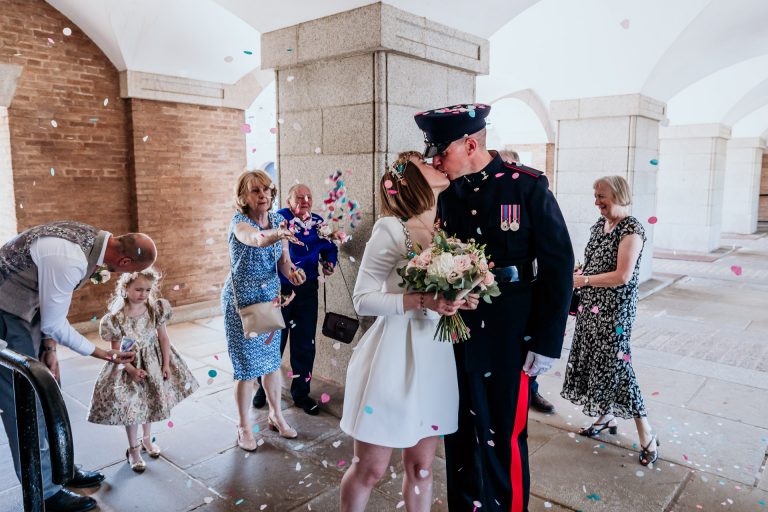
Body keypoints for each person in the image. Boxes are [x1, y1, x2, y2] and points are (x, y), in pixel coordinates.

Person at [414, 104, 574, 511]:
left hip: (511, 335)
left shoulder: (527, 186)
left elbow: (557, 268)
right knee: (460, 432)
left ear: (470, 144)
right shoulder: (449, 194)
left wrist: (546, 341)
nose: (434, 159)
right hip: (459, 333)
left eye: (440, 150)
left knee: (504, 434)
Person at [339, 151, 478, 512]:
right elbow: (362, 299)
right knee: (370, 468)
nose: (435, 162)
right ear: (409, 180)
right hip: (395, 357)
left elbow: (440, 294)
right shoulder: (390, 228)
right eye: (424, 163)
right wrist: (422, 301)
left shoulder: (442, 229)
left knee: (421, 467)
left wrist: (458, 300)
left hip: (434, 356)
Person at [0, 221, 155, 512]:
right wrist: (102, 353)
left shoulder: (91, 239)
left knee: (48, 392)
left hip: (25, 310)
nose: (121, 275)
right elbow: (54, 322)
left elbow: (49, 303)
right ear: (122, 261)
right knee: (24, 406)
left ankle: (60, 469)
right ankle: (45, 493)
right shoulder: (69, 259)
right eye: (126, 270)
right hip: (5, 315)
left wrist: (49, 349)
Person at [560, 176, 658, 466]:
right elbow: (593, 261)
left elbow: (622, 276)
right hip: (591, 308)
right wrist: (581, 270)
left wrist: (584, 279)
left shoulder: (632, 229)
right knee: (595, 363)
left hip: (615, 313)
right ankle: (606, 417)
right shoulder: (598, 226)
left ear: (618, 194)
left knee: (618, 367)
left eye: (601, 196)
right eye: (595, 196)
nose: (597, 202)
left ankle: (647, 434)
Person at [221, 170, 306, 451]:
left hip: (269, 299)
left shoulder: (279, 220)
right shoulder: (239, 223)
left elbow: (284, 262)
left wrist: (293, 274)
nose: (263, 195)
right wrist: (279, 233)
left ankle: (276, 415)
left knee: (271, 363)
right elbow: (256, 239)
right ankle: (244, 426)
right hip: (241, 302)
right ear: (243, 197)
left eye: (267, 190)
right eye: (255, 190)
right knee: (245, 369)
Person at [86, 267, 198, 472]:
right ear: (125, 287)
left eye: (148, 290)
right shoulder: (116, 318)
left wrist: (165, 364)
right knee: (132, 408)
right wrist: (129, 369)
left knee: (150, 402)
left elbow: (163, 337)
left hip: (153, 363)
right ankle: (133, 449)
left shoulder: (155, 309)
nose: (143, 294)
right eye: (139, 289)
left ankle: (147, 440)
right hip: (129, 364)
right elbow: (115, 351)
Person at [252, 183, 338, 415]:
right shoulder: (277, 219)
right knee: (273, 341)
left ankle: (301, 392)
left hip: (307, 289)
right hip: (280, 289)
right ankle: (263, 388)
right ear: (289, 201)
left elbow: (330, 246)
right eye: (299, 197)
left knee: (304, 343)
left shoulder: (319, 222)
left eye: (309, 197)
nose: (305, 201)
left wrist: (330, 262)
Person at [500, 148, 556, 415]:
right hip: (490, 290)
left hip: (523, 286)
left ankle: (532, 391)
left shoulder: (529, 192)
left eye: (514, 164)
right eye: (506, 165)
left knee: (527, 352)